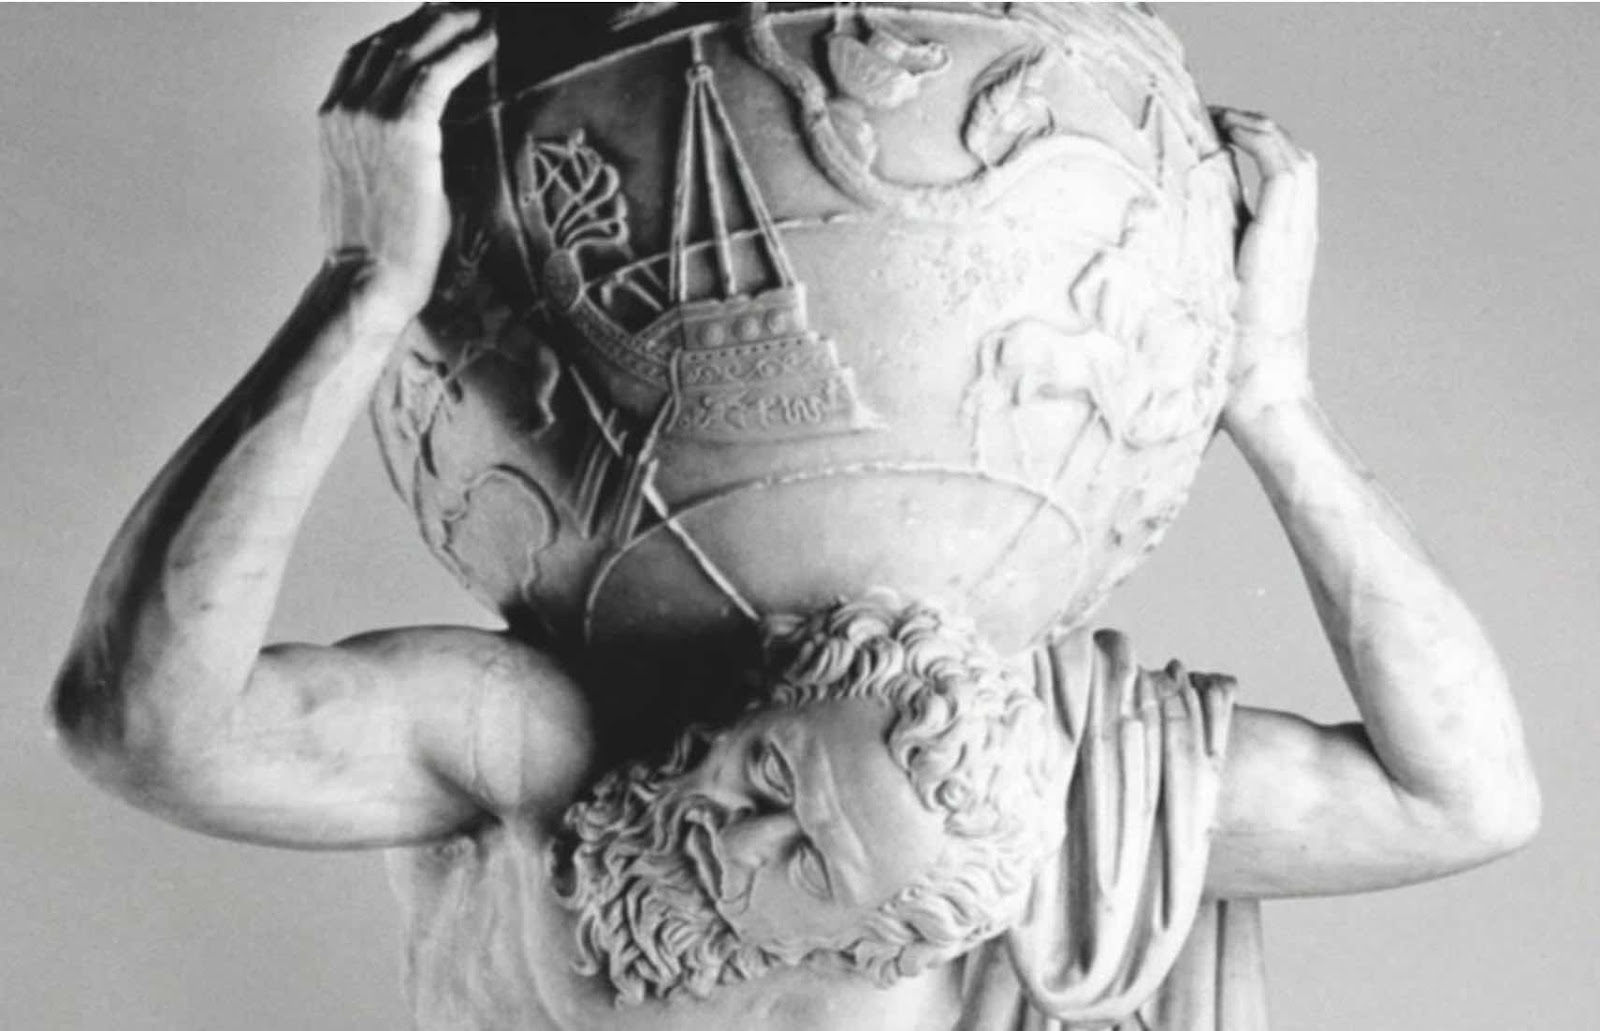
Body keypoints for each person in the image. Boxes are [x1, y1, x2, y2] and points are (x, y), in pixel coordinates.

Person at [50, 8, 1539, 1031]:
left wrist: (1272, 400)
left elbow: (1470, 799)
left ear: (906, 931)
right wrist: (364, 289)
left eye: (806, 862)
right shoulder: (542, 754)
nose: (731, 825)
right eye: (765, 764)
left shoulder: (1064, 820)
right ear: (766, 697)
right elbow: (142, 727)